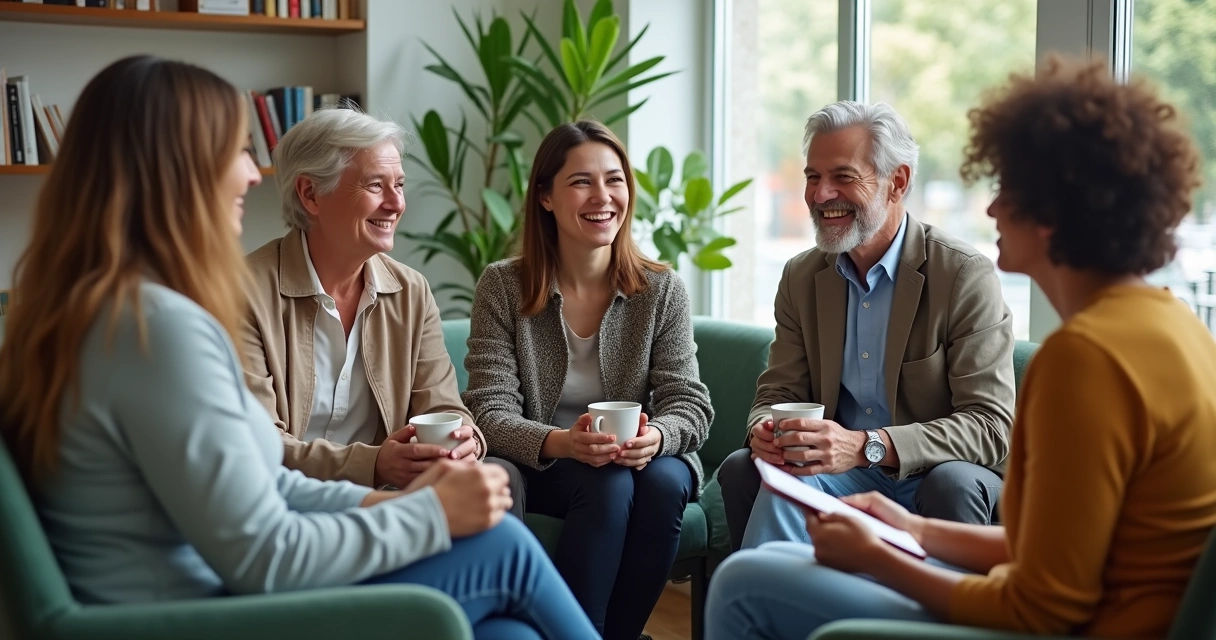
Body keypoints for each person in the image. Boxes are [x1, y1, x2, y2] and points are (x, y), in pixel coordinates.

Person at [0, 55, 597, 640]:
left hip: (206, 590)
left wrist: (391, 499)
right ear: (171, 173)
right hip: (201, 612)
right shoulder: (157, 329)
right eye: (233, 150)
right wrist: (430, 513)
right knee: (504, 548)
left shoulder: (102, 311)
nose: (252, 173)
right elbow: (265, 553)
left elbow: (263, 485)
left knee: (506, 631)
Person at [705, 55, 1216, 639]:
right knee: (768, 560)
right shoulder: (1177, 329)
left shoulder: (1086, 357)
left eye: (1007, 189)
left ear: (1054, 212)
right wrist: (911, 531)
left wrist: (882, 558)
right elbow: (1050, 552)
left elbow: (1044, 607)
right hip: (1097, 607)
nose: (992, 207)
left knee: (742, 584)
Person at [717, 100, 1016, 551]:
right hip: (837, 476)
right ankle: (775, 612)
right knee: (753, 467)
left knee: (954, 483)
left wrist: (866, 445)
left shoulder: (961, 275)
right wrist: (767, 431)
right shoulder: (801, 277)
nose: (820, 195)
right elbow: (777, 396)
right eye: (813, 177)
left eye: (843, 176)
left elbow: (991, 426)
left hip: (930, 476)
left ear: (897, 182)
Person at [462, 120, 714, 640]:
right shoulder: (503, 286)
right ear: (546, 198)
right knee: (605, 482)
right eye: (581, 182)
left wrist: (658, 437)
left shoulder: (660, 289)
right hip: (549, 464)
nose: (603, 197)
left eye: (615, 179)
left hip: (641, 462)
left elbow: (688, 400)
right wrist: (564, 443)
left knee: (666, 482)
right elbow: (488, 411)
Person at [240, 108, 524, 518]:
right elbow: (256, 442)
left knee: (500, 475)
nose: (396, 204)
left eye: (400, 185)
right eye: (376, 185)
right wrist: (371, 464)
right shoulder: (243, 292)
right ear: (310, 194)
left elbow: (443, 406)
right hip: (289, 500)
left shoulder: (411, 291)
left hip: (393, 491)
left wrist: (465, 441)